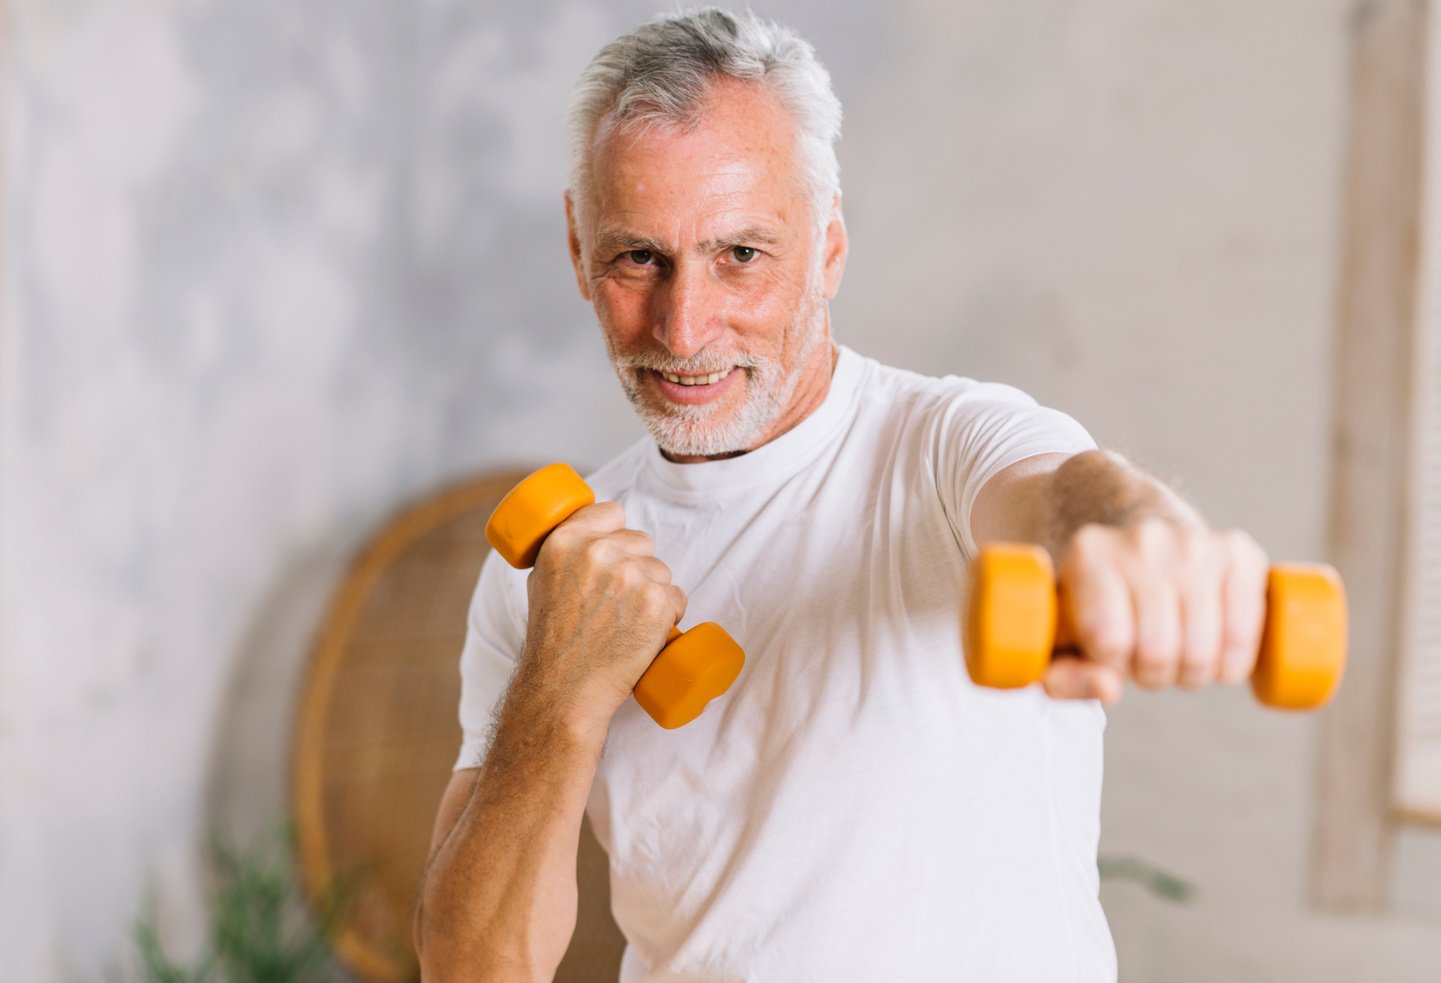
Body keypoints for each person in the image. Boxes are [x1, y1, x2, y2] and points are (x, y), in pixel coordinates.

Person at [414, 8, 1269, 981]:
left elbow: (1070, 493)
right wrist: (559, 692)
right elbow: (471, 967)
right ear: (577, 247)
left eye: (740, 254)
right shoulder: (554, 576)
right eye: (638, 258)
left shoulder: (943, 448)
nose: (685, 326)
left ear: (825, 246)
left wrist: (1143, 538)